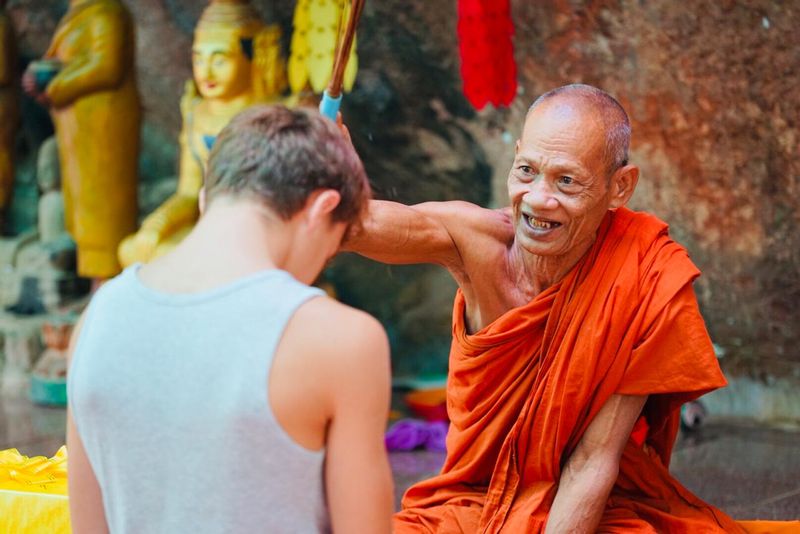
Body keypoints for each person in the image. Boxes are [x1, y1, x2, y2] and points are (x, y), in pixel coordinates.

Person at [344, 84, 791, 533]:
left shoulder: (644, 274)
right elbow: (359, 224)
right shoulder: (476, 242)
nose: (539, 199)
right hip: (469, 503)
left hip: (585, 510)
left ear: (620, 187)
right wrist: (328, 175)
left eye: (566, 181)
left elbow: (594, 460)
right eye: (527, 171)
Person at [66, 105, 393, 533]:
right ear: (321, 209)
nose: (315, 270)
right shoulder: (342, 340)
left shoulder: (96, 319)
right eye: (330, 249)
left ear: (206, 199)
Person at [118, 0, 286, 267]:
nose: (205, 72)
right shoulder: (197, 115)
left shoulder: (281, 115)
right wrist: (158, 224)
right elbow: (188, 193)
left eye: (220, 59)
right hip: (209, 227)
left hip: (261, 231)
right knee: (133, 251)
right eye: (199, 58)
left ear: (255, 55)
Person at [22, 0, 140, 281]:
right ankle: (91, 280)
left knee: (104, 210)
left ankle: (107, 281)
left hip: (103, 127)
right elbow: (68, 58)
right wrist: (41, 71)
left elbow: (107, 66)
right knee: (84, 208)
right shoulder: (80, 15)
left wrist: (56, 86)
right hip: (79, 128)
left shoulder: (108, 13)